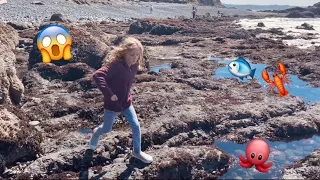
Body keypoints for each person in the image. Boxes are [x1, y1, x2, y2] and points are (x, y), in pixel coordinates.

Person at [89, 37, 153, 164]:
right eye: (131, 54)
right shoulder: (115, 66)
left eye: (137, 55)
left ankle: (137, 152)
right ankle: (96, 133)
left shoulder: (134, 66)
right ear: (123, 52)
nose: (134, 58)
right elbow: (97, 75)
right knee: (107, 129)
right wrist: (109, 94)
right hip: (112, 104)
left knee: (136, 126)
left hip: (126, 103)